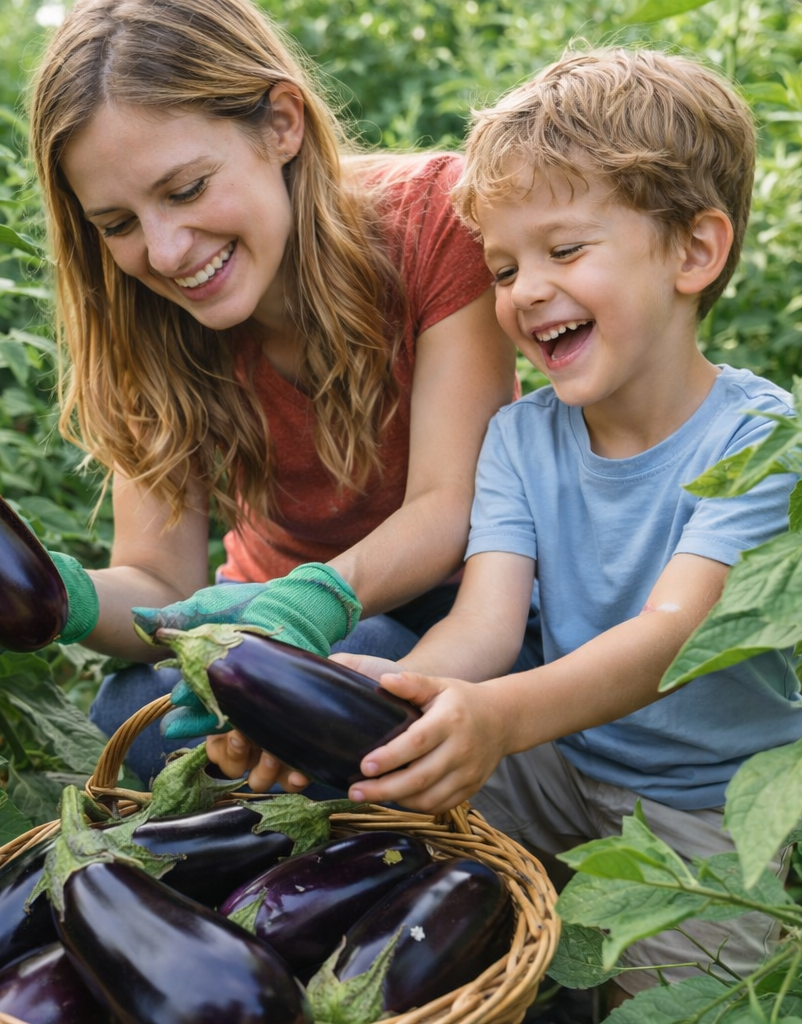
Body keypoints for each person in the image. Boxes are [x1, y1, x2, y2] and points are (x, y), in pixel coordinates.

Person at [0, 0, 518, 783]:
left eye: (185, 190)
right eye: (117, 224)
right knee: (124, 720)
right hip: (260, 618)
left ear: (282, 124)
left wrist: (305, 607)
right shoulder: (146, 319)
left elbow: (450, 506)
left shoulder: (429, 221)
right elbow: (160, 584)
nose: (165, 252)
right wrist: (50, 594)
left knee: (366, 674)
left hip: (465, 604)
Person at [289, 46, 801, 1000]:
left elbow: (671, 637)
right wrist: (401, 695)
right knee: (384, 805)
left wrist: (497, 716)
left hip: (704, 807)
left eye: (564, 251)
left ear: (695, 251)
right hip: (557, 767)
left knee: (691, 1000)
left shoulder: (758, 436)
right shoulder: (524, 438)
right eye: (503, 266)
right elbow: (485, 627)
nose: (524, 291)